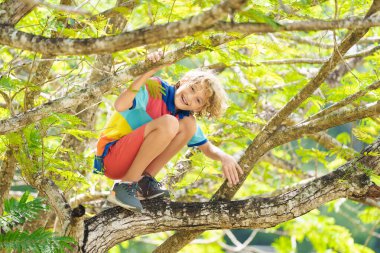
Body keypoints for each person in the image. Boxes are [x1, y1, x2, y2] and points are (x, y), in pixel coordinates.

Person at [94, 50, 243, 212]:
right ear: (184, 81)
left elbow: (207, 148)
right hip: (112, 156)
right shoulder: (156, 88)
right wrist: (149, 70)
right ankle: (125, 186)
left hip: (131, 165)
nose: (190, 98)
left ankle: (144, 182)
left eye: (198, 100)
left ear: (200, 109)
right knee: (170, 122)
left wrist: (225, 157)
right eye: (192, 89)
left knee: (188, 125)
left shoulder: (184, 117)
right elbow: (120, 105)